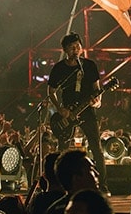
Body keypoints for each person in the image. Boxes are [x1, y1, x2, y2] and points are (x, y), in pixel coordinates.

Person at [47, 32, 109, 192]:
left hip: (87, 112)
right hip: (67, 113)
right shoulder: (59, 68)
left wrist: (97, 102)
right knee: (63, 149)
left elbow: (97, 90)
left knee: (96, 148)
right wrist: (60, 108)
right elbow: (51, 91)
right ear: (65, 50)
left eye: (78, 46)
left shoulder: (89, 66)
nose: (75, 50)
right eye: (71, 47)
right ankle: (61, 185)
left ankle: (102, 185)